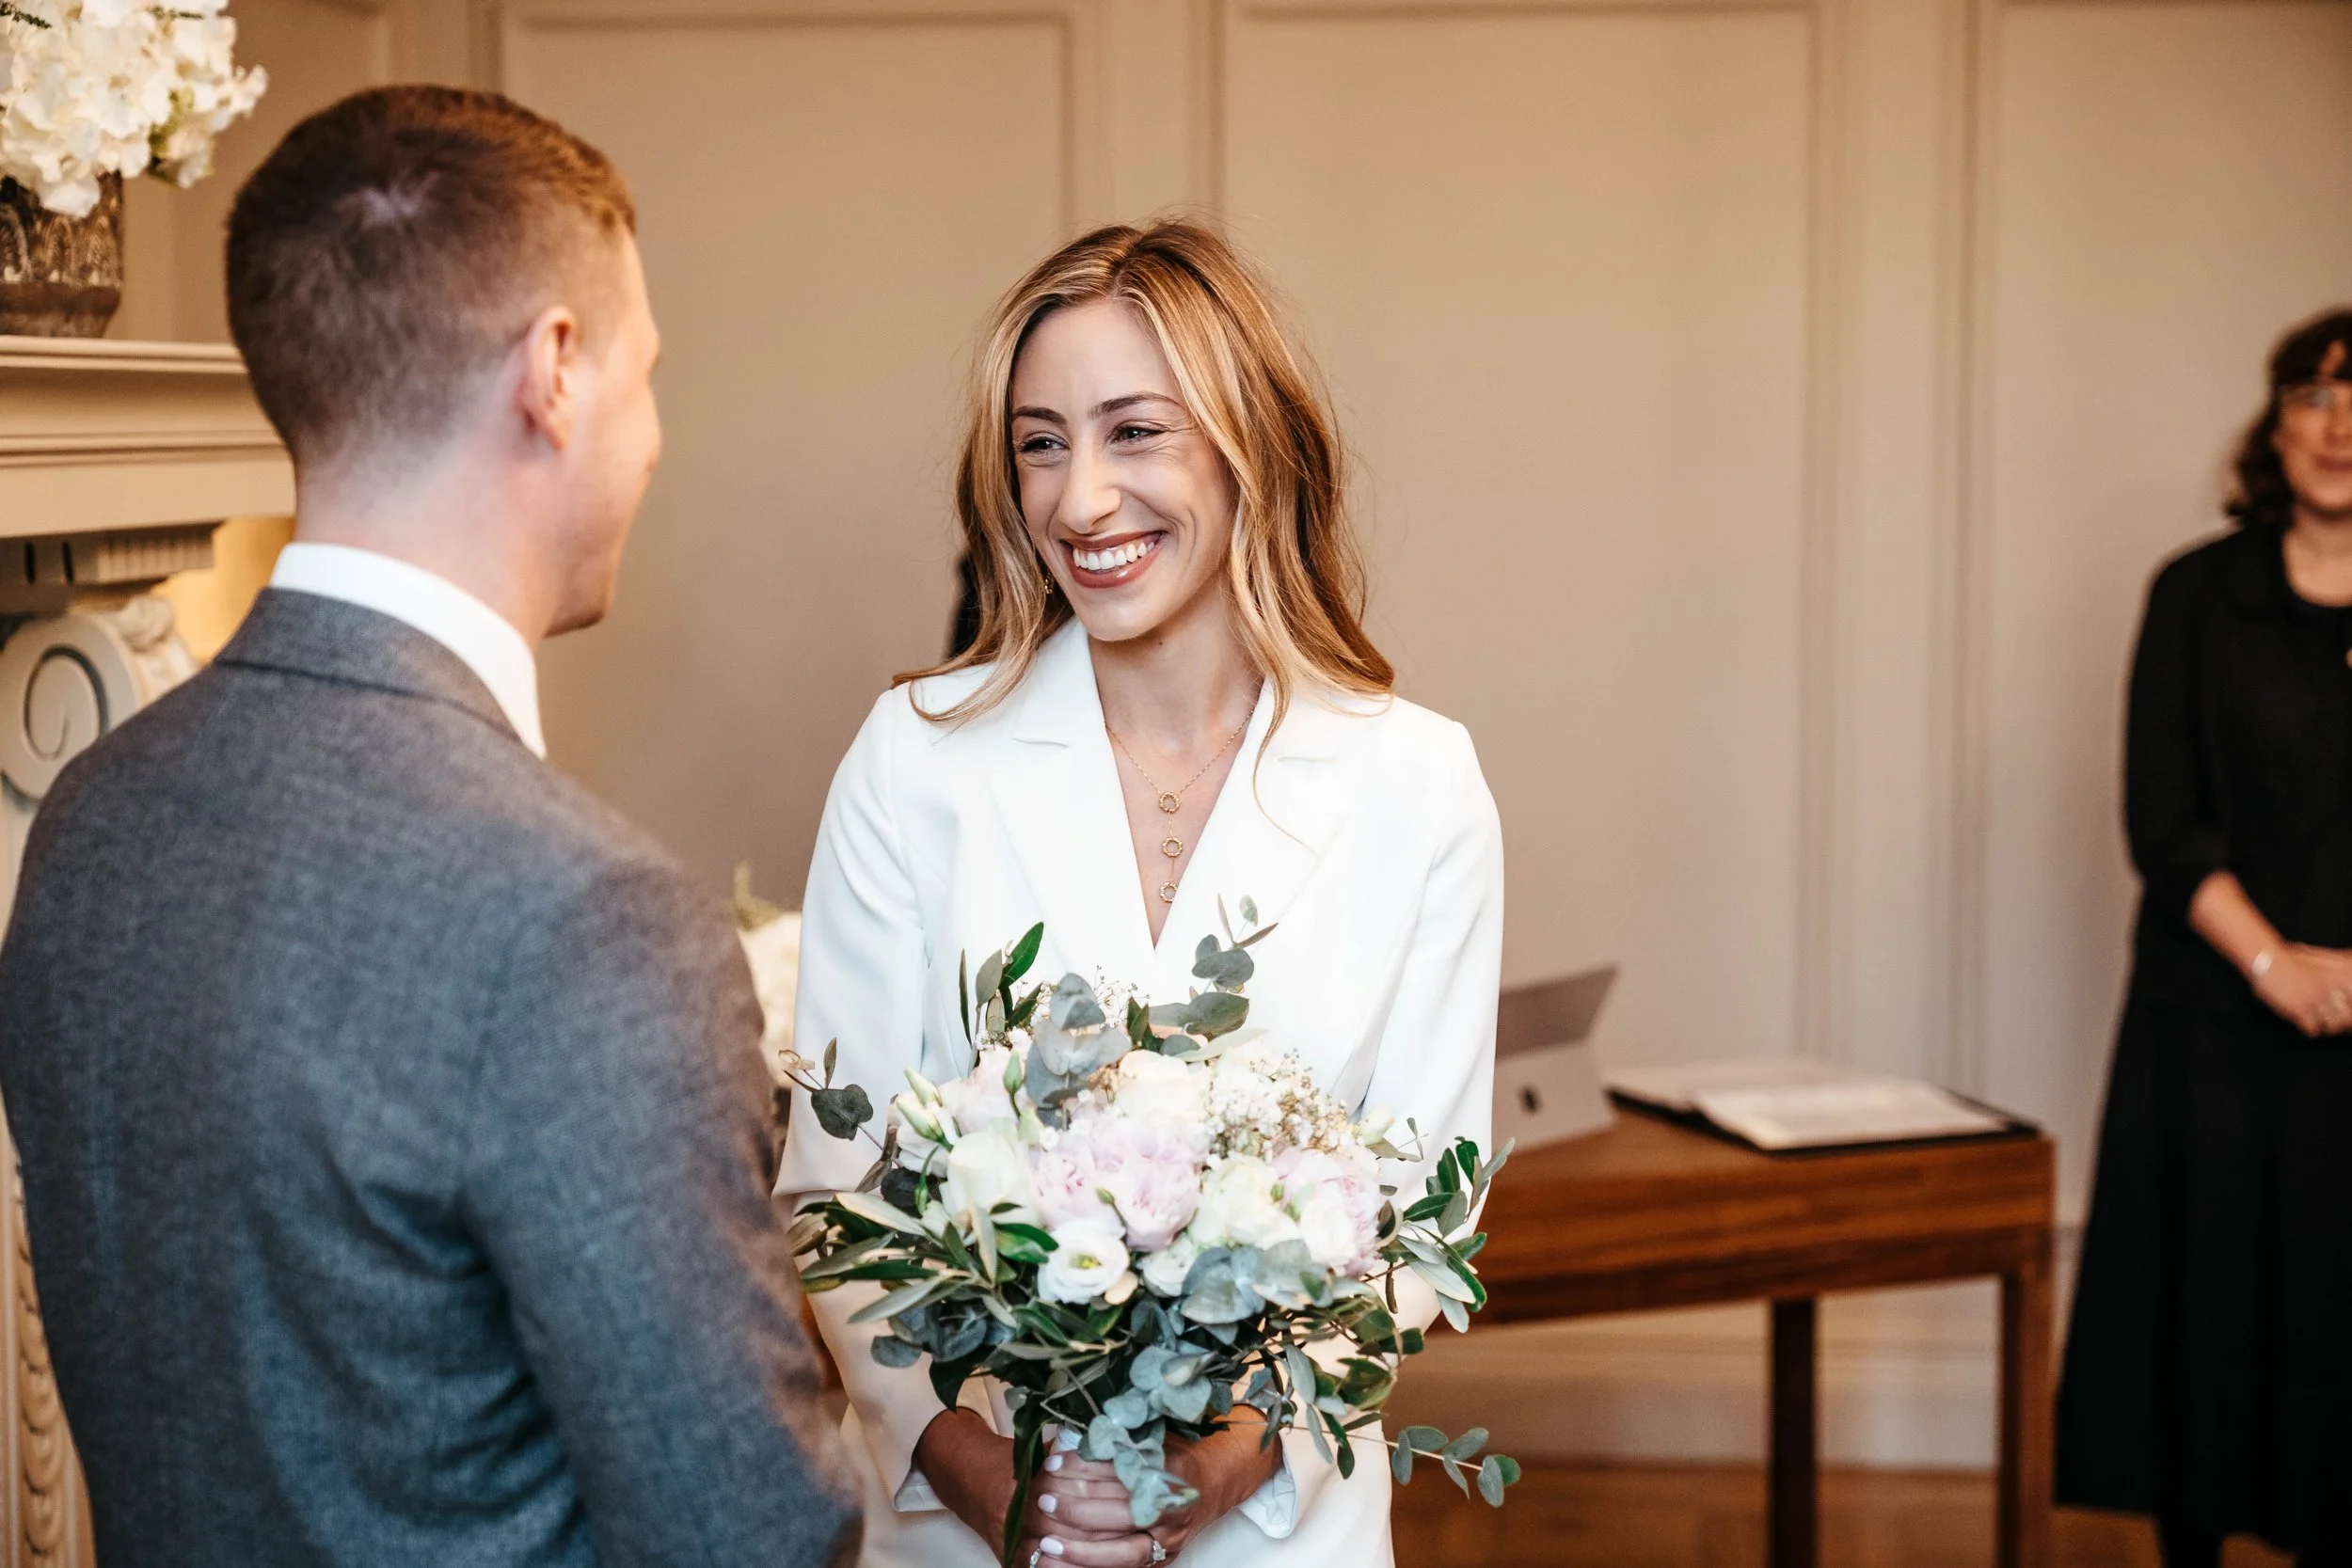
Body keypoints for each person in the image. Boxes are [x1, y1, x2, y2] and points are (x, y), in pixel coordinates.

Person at [0, 87, 859, 1568]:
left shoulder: (91, 813)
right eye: (651, 373)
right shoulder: (586, 919)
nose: (656, 437)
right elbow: (752, 1534)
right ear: (559, 374)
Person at [777, 221, 1503, 1568]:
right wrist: (1004, 1491)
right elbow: (836, 1187)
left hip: (1283, 1536)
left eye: (1133, 433)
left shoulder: (1420, 785)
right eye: (1041, 443)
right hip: (966, 1533)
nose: (1079, 500)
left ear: (1251, 444)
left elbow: (1417, 1230)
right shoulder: (915, 757)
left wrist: (1218, 1472)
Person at [2058, 308, 2352, 1566]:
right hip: (2213, 1020)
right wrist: (2277, 964)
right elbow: (2162, 818)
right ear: (2275, 420)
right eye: (2315, 393)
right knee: (2204, 1316)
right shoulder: (2194, 592)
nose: (2341, 426)